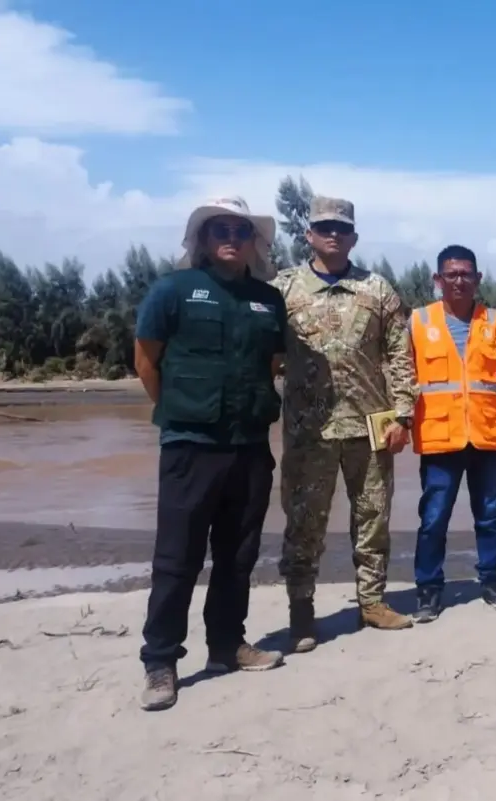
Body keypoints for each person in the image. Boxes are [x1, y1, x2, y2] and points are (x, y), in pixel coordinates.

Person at [134, 196, 287, 712]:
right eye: (220, 229)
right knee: (177, 558)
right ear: (202, 237)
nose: (231, 238)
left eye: (241, 231)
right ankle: (160, 661)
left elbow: (272, 364)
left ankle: (226, 645)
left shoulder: (268, 299)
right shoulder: (172, 290)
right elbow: (146, 361)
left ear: (252, 241)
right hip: (190, 447)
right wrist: (181, 410)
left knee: (238, 556)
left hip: (250, 447)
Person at [271, 196, 418, 651]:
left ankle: (372, 601)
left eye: (342, 228)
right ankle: (301, 612)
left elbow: (399, 354)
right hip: (308, 430)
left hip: (372, 424)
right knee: (304, 521)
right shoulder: (283, 289)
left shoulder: (377, 289)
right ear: (308, 234)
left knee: (373, 517)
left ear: (354, 237)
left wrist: (403, 415)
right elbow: (261, 351)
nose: (333, 234)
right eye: (324, 227)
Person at [408, 245, 496, 622]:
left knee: (489, 515)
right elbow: (405, 374)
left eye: (466, 274)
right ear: (438, 279)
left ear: (478, 278)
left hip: (485, 435)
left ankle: (492, 582)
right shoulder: (419, 321)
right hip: (439, 438)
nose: (459, 280)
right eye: (451, 274)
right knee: (433, 519)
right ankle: (429, 589)